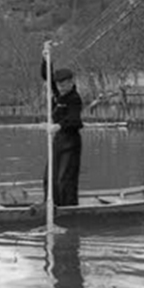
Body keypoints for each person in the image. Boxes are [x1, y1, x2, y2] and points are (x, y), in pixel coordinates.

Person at [41, 43, 83, 207]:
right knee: (49, 178)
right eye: (59, 85)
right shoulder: (57, 93)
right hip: (58, 141)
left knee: (64, 179)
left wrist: (57, 126)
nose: (61, 87)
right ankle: (50, 206)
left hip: (71, 143)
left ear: (71, 82)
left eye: (65, 84)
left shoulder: (74, 99)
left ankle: (68, 208)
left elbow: (74, 120)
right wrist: (46, 59)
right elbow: (47, 76)